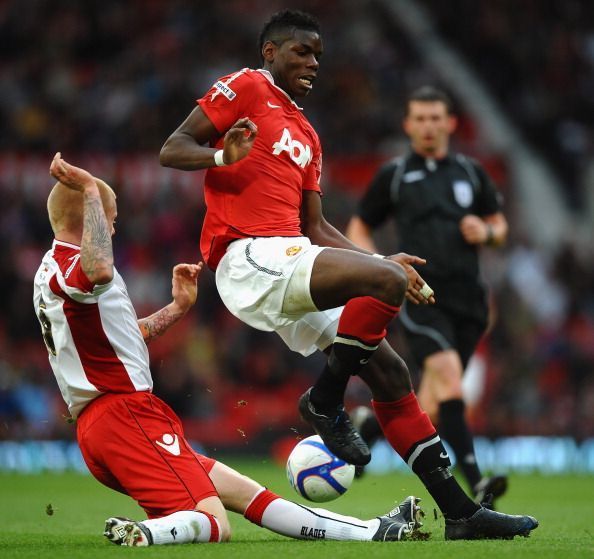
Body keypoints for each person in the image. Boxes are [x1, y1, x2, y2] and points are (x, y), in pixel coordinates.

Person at [159, 9, 537, 540]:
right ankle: (326, 398)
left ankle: (460, 513)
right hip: (247, 258)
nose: (314, 62)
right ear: (271, 52)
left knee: (392, 373)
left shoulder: (308, 136)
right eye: (302, 51)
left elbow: (314, 226)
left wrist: (381, 262)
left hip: (289, 256)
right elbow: (171, 149)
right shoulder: (246, 87)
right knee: (381, 284)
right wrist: (223, 153)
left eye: (318, 54)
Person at [34, 153, 424, 547]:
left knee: (243, 492)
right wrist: (88, 189)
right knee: (213, 523)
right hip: (125, 415)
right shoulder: (76, 266)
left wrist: (177, 308)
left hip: (105, 425)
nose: (113, 229)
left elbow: (117, 338)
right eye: (111, 219)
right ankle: (147, 533)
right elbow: (99, 268)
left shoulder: (51, 272)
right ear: (91, 215)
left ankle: (373, 531)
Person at [346, 86, 509, 505]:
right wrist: (382, 265)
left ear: (451, 123)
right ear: (407, 125)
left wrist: (487, 231)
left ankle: (369, 429)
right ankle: (477, 482)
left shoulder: (471, 173)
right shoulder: (395, 175)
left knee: (436, 401)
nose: (428, 126)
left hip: (469, 301)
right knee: (451, 380)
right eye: (420, 118)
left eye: (436, 118)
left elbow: (499, 224)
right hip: (422, 296)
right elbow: (358, 227)